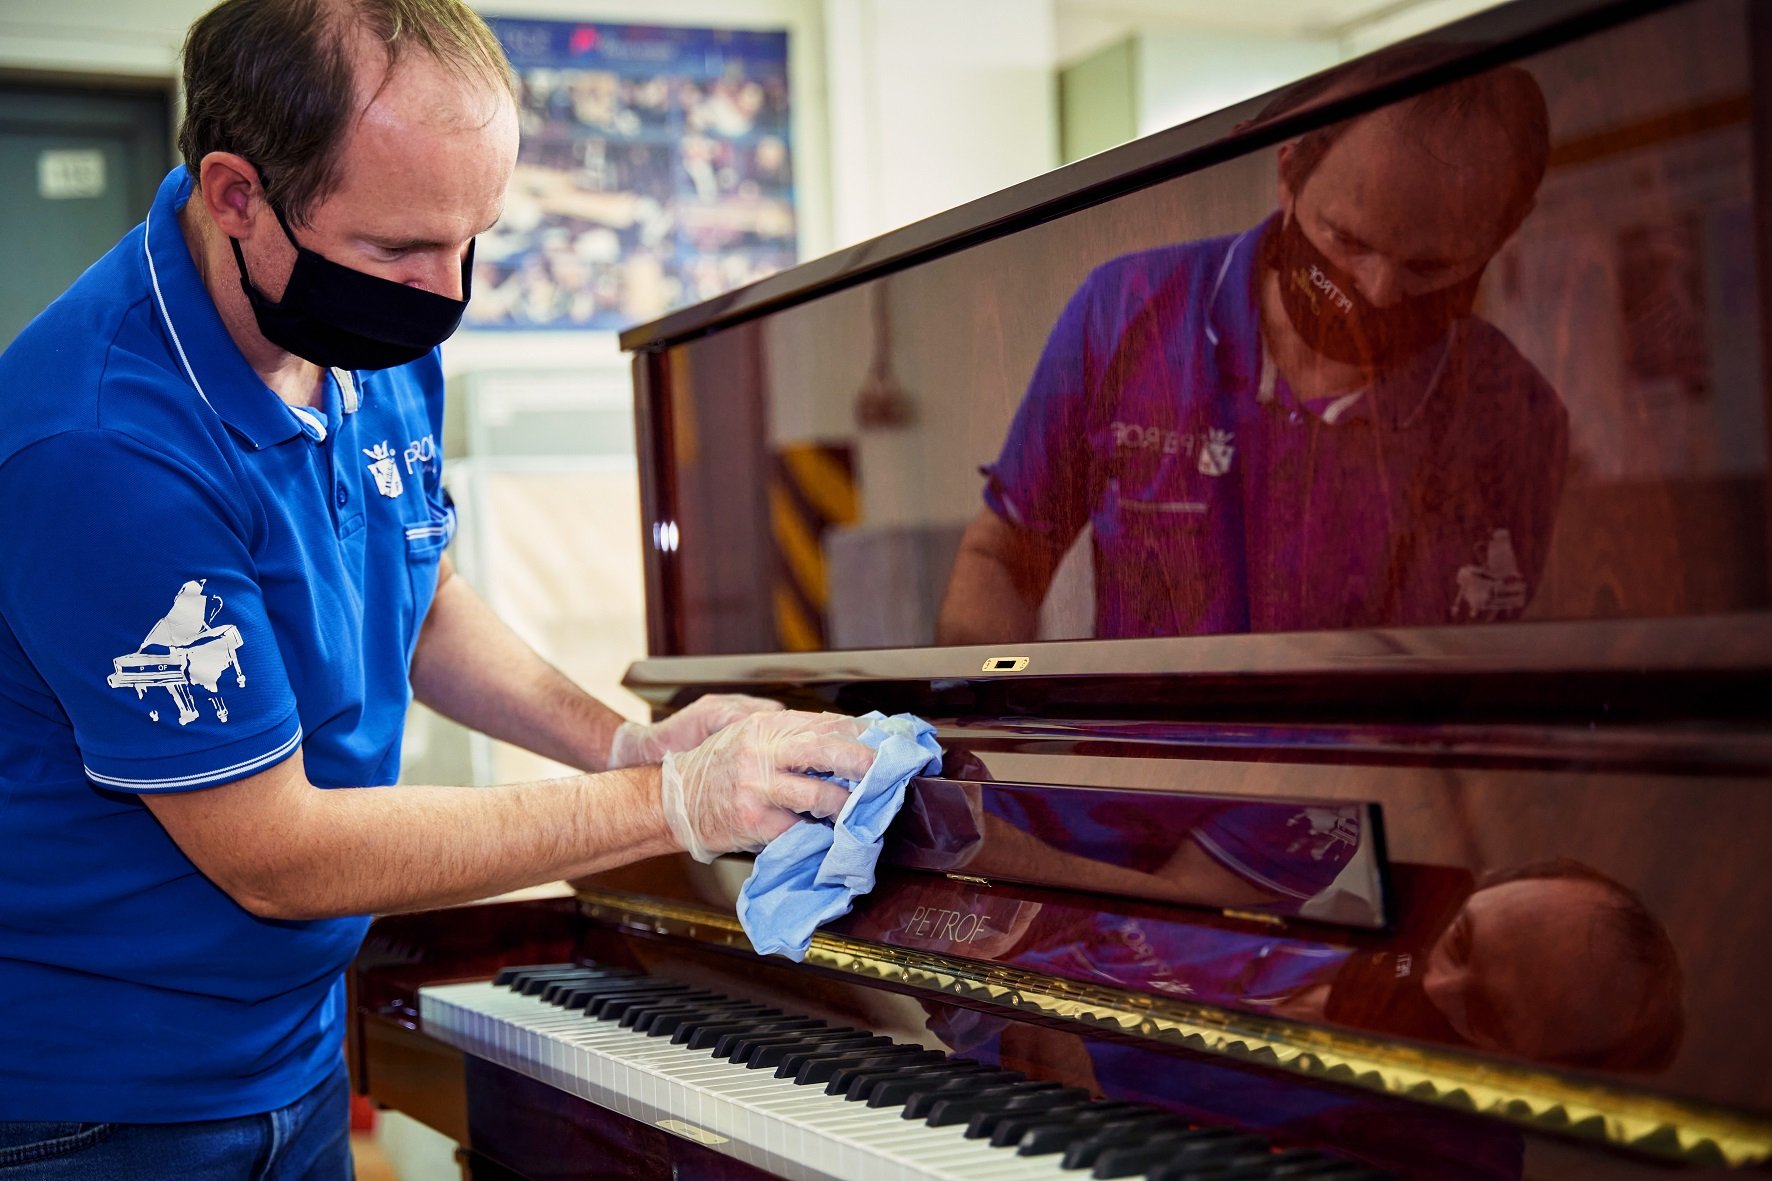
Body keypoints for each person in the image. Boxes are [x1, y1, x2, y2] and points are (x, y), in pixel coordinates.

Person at [0, 0, 871, 1175]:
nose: (442, 289)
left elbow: (416, 582)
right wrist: (675, 805)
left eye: (475, 238)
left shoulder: (368, 325)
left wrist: (623, 744)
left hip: (298, 1052)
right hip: (99, 1104)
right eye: (401, 248)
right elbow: (277, 853)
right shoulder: (97, 444)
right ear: (237, 194)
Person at [936, 51, 1568, 644]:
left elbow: (1484, 680)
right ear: (1289, 173)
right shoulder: (1127, 310)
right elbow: (1004, 555)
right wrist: (981, 731)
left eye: (1430, 268)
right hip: (1146, 759)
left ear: (1507, 229)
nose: (1378, 292)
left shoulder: (1513, 417)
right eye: (1350, 241)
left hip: (1381, 764)